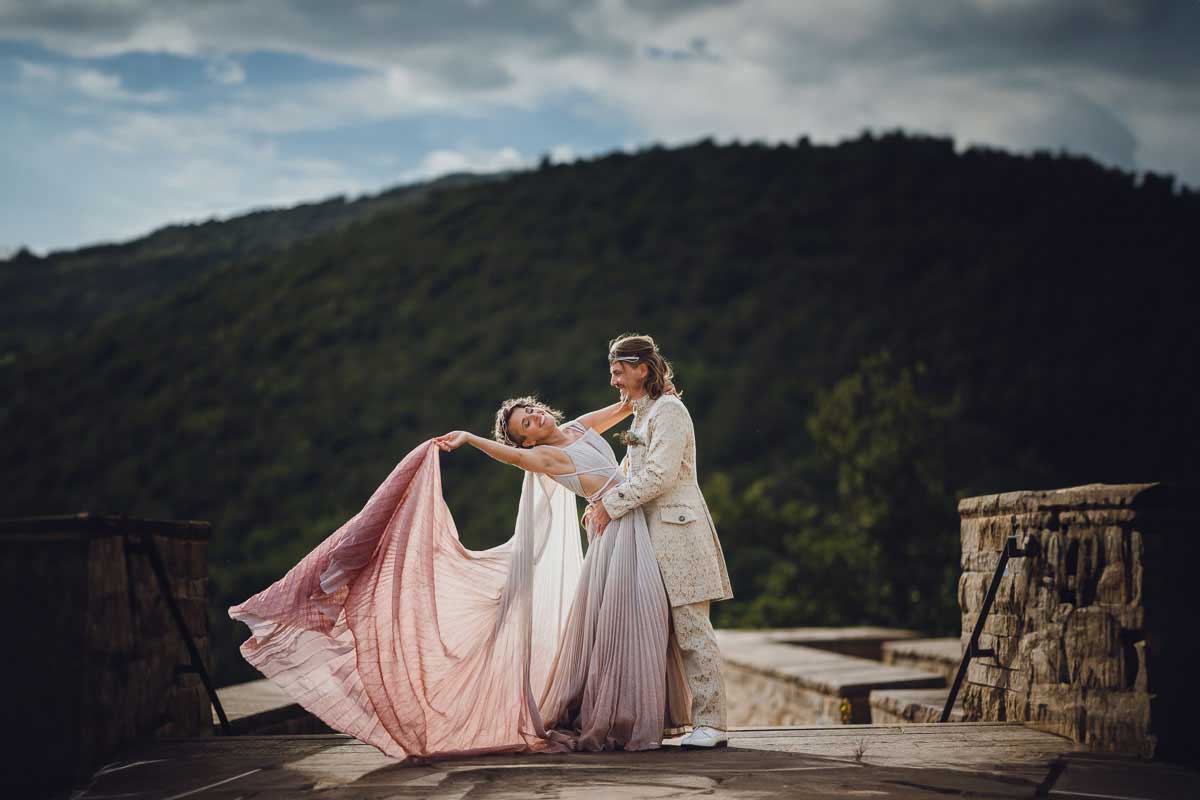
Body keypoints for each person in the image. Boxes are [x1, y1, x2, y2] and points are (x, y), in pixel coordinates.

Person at [229, 387, 690, 760]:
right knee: (631, 618)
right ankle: (626, 719)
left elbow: (623, 409)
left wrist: (654, 391)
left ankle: (643, 713)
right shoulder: (546, 458)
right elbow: (512, 458)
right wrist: (470, 438)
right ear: (528, 442)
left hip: (628, 521)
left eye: (532, 412)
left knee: (640, 617)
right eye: (526, 426)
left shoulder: (576, 428)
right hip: (616, 532)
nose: (535, 419)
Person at [589, 333, 734, 748]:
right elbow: (631, 471)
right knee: (660, 634)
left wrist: (611, 506)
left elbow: (661, 474)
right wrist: (597, 502)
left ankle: (712, 724)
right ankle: (670, 721)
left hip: (679, 532)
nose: (614, 380)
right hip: (649, 538)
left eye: (619, 371)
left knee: (691, 630)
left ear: (641, 370)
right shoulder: (643, 415)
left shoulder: (669, 410)